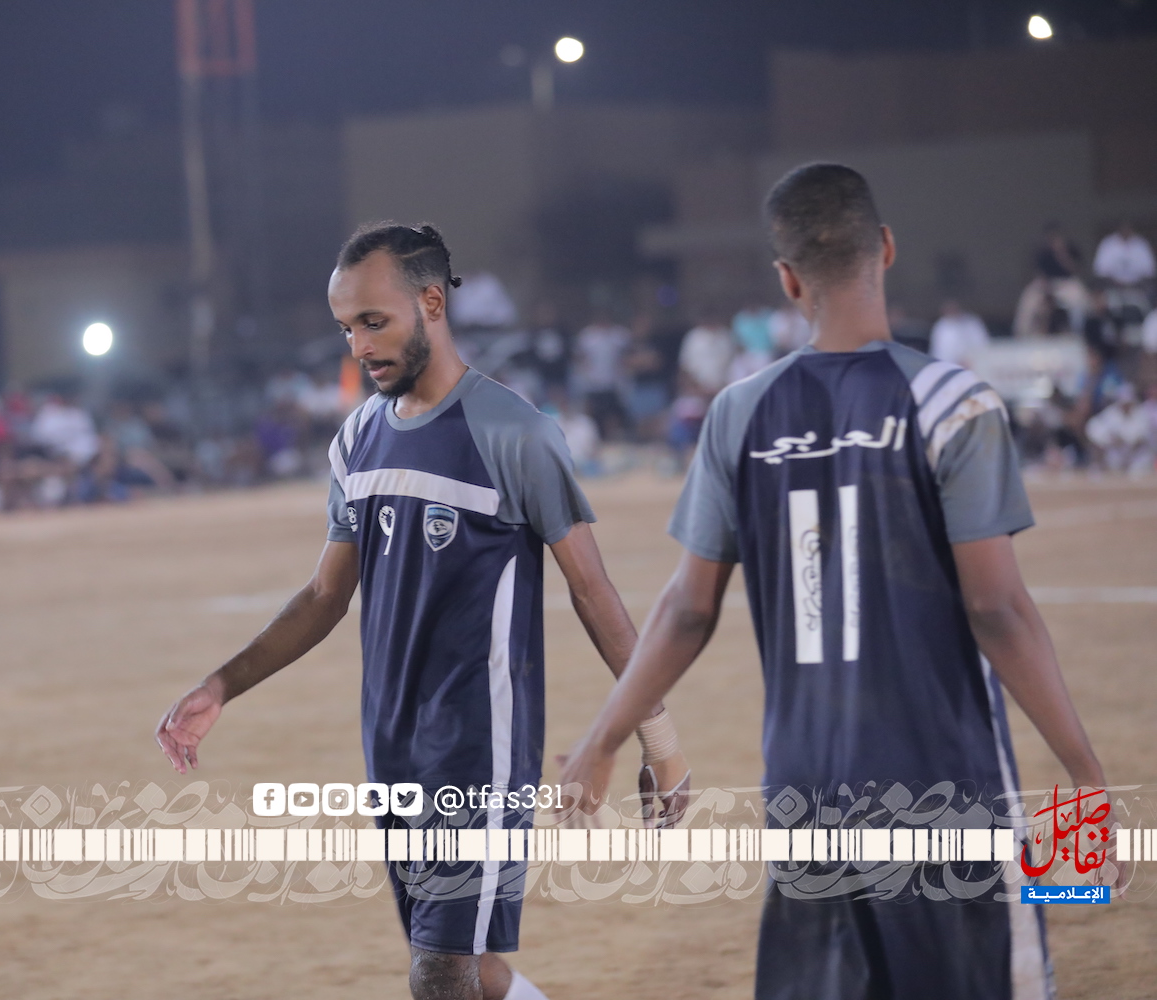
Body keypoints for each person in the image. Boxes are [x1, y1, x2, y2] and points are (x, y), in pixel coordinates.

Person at [560, 164, 1128, 1000]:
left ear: (788, 280)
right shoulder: (954, 403)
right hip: (940, 782)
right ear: (886, 248)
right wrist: (1086, 777)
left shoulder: (739, 412)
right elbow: (998, 609)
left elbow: (685, 610)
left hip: (805, 790)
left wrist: (602, 740)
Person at [154, 223, 690, 1000]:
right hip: (391, 747)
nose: (359, 346)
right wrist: (220, 685)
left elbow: (592, 591)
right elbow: (325, 595)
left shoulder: (514, 432)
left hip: (478, 747)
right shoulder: (358, 440)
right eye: (346, 328)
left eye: (374, 322)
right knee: (471, 965)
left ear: (432, 304)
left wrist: (659, 740)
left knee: (438, 973)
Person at [573, 308, 632, 440]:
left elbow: (628, 356)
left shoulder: (620, 335)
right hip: (593, 385)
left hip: (613, 385)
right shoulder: (587, 336)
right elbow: (579, 358)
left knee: (613, 418)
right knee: (594, 418)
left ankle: (612, 441)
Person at [929, 299, 991, 369]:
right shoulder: (941, 326)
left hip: (972, 363)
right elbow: (938, 349)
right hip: (948, 365)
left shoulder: (971, 322)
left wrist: (971, 358)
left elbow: (981, 342)